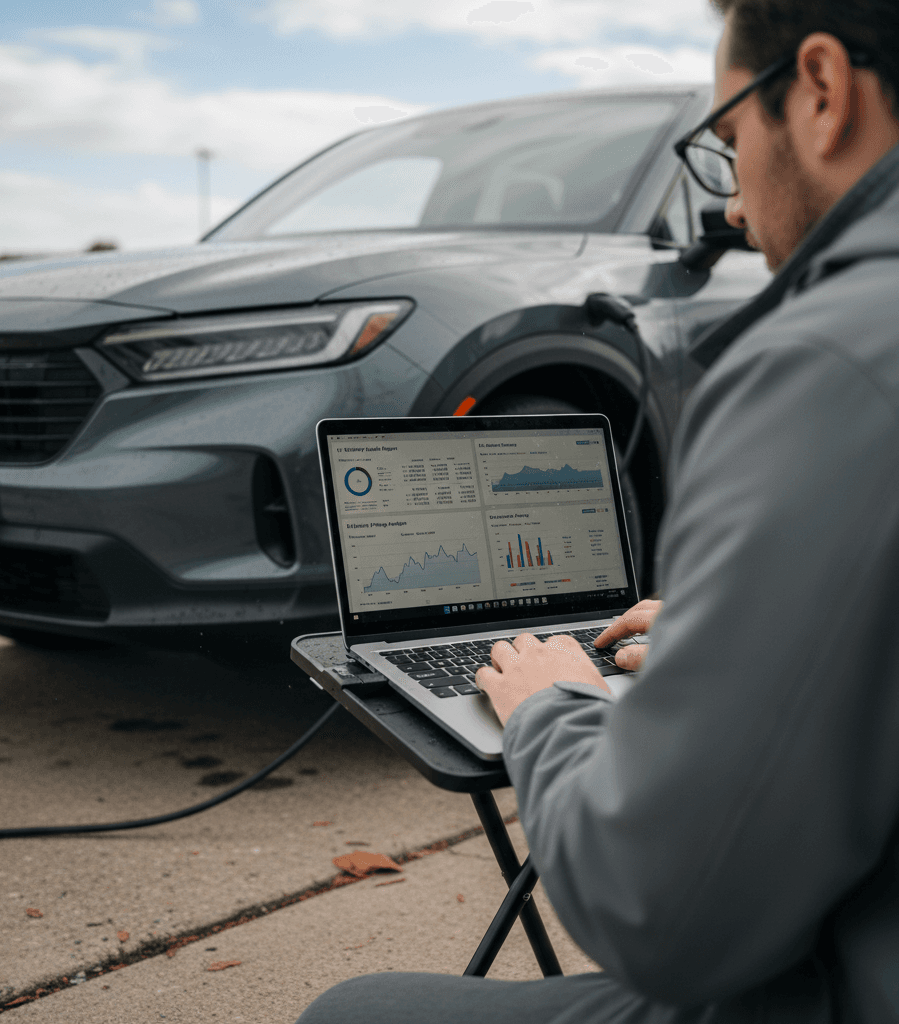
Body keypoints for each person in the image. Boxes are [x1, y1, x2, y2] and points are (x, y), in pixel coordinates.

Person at [296, 1, 899, 1020]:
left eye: (726, 141)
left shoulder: (830, 357)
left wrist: (551, 707)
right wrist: (748, 634)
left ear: (822, 91)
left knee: (347, 1010)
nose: (734, 210)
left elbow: (662, 911)